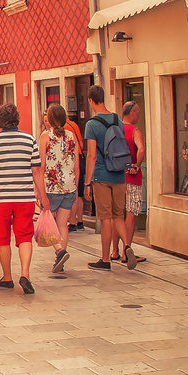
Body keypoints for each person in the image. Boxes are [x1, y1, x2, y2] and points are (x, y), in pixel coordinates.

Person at [0, 102, 47, 294]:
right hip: (24, 197)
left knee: (2, 238)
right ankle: (25, 273)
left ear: (0, 121)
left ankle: (7, 277)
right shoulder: (29, 140)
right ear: (17, 119)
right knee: (24, 235)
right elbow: (37, 171)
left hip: (1, 198)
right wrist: (41, 196)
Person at [82, 85, 131, 271]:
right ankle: (126, 246)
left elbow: (92, 155)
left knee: (105, 218)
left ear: (91, 101)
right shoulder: (117, 119)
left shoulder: (92, 124)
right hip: (119, 174)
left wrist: (88, 182)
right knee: (119, 215)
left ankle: (105, 258)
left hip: (102, 175)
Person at [38, 104, 78, 274]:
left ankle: (59, 250)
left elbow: (40, 165)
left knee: (48, 220)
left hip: (51, 185)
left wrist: (38, 189)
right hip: (69, 185)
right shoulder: (71, 136)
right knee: (63, 224)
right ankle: (60, 256)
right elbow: (76, 162)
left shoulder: (45, 136)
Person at [121, 100, 146, 263]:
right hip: (131, 176)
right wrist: (137, 165)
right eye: (137, 112)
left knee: (117, 214)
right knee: (131, 213)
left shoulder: (115, 129)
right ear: (133, 112)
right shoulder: (134, 130)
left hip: (117, 176)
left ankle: (115, 251)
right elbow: (141, 149)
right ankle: (127, 249)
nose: (138, 115)